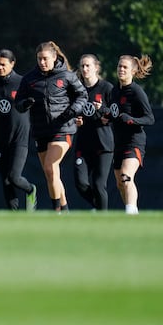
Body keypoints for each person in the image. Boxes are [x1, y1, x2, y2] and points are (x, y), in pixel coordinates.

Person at [16, 41, 87, 212]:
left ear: (54, 58)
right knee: (51, 174)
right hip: (41, 131)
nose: (42, 62)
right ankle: (65, 210)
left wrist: (71, 112)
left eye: (45, 59)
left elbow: (82, 96)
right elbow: (18, 103)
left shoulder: (67, 76)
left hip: (63, 129)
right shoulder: (29, 79)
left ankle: (56, 211)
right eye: (39, 59)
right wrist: (24, 103)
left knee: (50, 167)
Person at [0, 49, 38, 211]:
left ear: (12, 64)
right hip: (0, 140)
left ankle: (31, 189)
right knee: (6, 181)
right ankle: (14, 215)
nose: (0, 67)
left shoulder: (22, 82)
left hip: (19, 139)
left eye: (3, 64)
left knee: (14, 177)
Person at [105, 55, 154, 215]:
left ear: (133, 71)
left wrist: (131, 120)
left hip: (134, 142)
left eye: (125, 67)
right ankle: (131, 214)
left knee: (126, 177)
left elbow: (149, 118)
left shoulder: (136, 92)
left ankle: (132, 211)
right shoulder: (114, 91)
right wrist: (107, 117)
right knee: (120, 183)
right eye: (119, 66)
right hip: (118, 142)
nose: (121, 70)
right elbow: (114, 114)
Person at [73, 54, 114, 210]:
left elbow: (115, 113)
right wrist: (76, 121)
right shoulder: (77, 90)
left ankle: (103, 219)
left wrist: (103, 111)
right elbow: (72, 112)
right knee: (81, 183)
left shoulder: (107, 88)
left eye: (88, 65)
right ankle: (98, 207)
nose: (84, 69)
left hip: (103, 145)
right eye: (82, 66)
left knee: (98, 185)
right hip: (83, 145)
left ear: (96, 67)